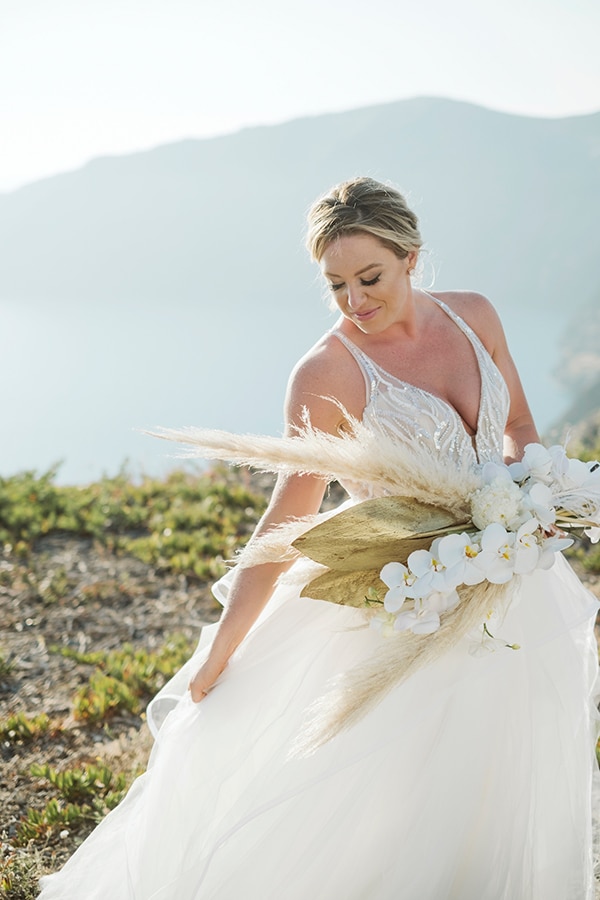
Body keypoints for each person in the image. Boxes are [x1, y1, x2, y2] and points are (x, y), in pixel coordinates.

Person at [39, 177, 599, 899]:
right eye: (335, 285)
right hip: (404, 603)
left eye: (370, 279)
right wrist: (221, 648)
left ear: (412, 258)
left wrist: (526, 500)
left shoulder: (475, 317)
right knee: (398, 801)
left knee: (501, 772)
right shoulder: (328, 372)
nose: (355, 302)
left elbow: (519, 429)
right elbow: (285, 522)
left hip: (511, 582)